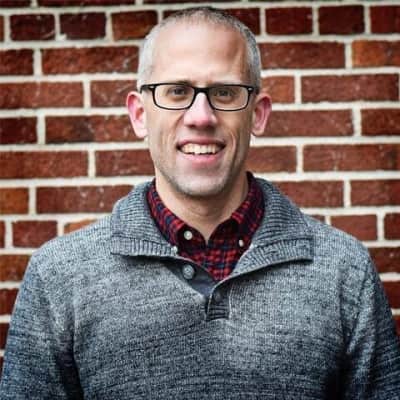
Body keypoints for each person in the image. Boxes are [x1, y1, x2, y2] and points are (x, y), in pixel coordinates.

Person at [1, 7, 399, 399]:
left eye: (224, 92)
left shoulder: (344, 271)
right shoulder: (59, 277)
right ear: (139, 115)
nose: (201, 116)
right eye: (177, 91)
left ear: (258, 115)